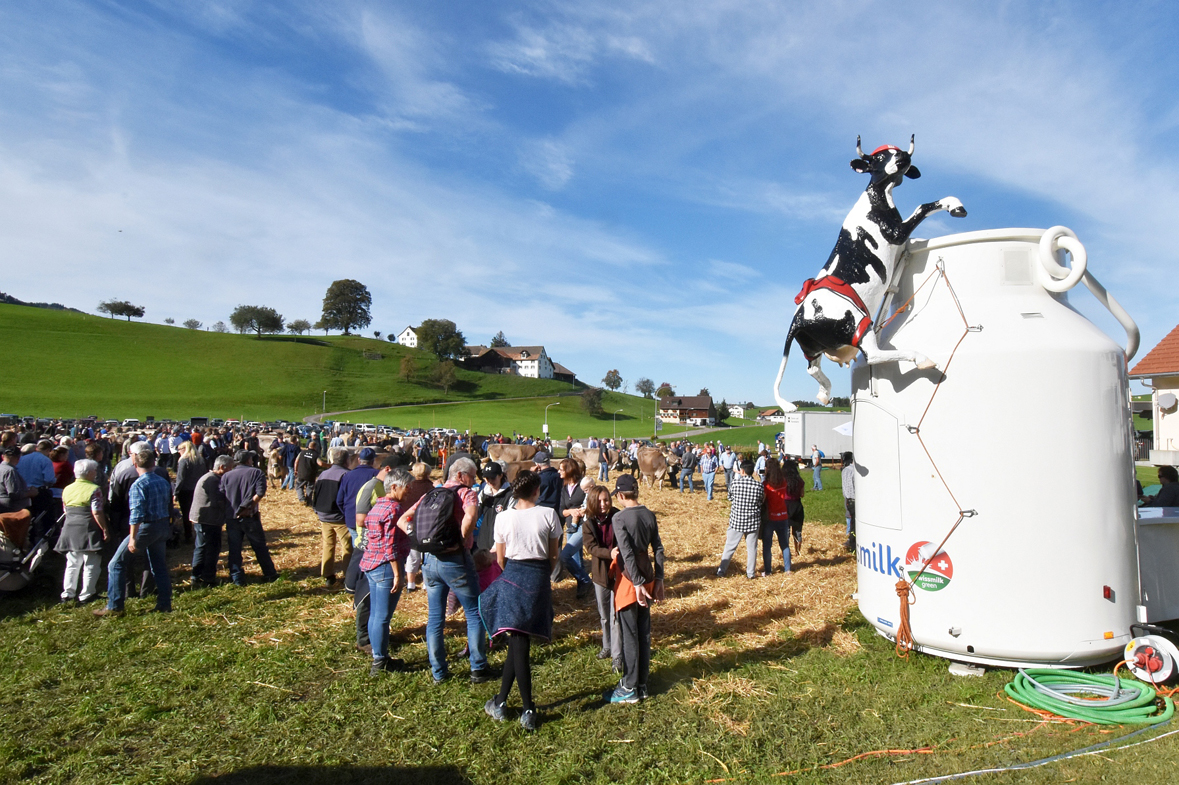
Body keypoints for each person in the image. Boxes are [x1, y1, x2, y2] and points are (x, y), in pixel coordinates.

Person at [479, 469, 561, 731]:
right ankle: (503, 702)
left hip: (513, 574)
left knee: (518, 642)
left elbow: (500, 559)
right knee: (519, 641)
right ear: (536, 490)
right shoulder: (549, 515)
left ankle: (525, 707)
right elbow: (554, 555)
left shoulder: (503, 518)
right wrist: (541, 574)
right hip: (538, 576)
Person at [400, 457, 492, 684]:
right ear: (460, 475)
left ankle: (439, 671)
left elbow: (403, 519)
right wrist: (460, 540)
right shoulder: (466, 493)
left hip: (429, 561)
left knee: (435, 617)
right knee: (473, 612)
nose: (473, 480)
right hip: (456, 560)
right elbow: (470, 516)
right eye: (471, 475)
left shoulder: (430, 493)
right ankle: (478, 668)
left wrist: (418, 539)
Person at [607, 474, 665, 704]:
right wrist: (658, 578)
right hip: (648, 576)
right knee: (644, 632)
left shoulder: (619, 518)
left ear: (620, 495)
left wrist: (637, 583)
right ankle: (642, 683)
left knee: (629, 633)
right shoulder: (649, 514)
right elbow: (658, 548)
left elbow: (627, 552)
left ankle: (629, 687)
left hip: (630, 581)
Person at [94, 448, 172, 616]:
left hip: (146, 527)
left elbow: (136, 515)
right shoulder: (163, 481)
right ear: (153, 463)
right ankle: (165, 602)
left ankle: (115, 605)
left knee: (116, 563)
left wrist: (133, 538)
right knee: (158, 566)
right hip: (162, 524)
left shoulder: (139, 484)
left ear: (135, 464)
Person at [362, 467, 414, 675]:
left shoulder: (377, 507)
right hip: (386, 567)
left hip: (371, 565)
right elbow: (390, 546)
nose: (409, 491)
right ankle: (380, 662)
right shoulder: (394, 510)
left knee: (376, 614)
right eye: (407, 488)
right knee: (383, 616)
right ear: (394, 487)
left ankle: (379, 655)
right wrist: (398, 574)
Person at [220, 451, 277, 586]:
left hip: (232, 516)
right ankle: (269, 574)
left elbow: (221, 495)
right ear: (248, 460)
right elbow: (260, 493)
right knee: (259, 546)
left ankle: (236, 577)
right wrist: (249, 506)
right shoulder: (256, 473)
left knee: (234, 548)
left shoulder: (226, 476)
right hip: (250, 516)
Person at [55, 459, 108, 604]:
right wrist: (105, 529)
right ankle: (87, 593)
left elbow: (65, 509)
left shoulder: (67, 489)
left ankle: (68, 593)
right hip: (88, 527)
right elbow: (97, 512)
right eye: (95, 471)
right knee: (91, 562)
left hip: (70, 526)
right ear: (90, 473)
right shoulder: (94, 489)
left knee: (72, 562)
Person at [582, 483, 622, 671]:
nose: (604, 504)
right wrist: (609, 553)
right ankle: (606, 646)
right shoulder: (588, 522)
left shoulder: (618, 516)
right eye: (599, 501)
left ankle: (617, 655)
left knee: (616, 616)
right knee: (605, 616)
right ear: (593, 502)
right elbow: (590, 548)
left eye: (606, 500)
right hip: (600, 574)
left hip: (619, 573)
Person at [190, 455, 233, 587]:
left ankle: (197, 576)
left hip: (203, 518)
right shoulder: (213, 480)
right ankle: (207, 577)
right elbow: (217, 501)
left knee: (202, 547)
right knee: (211, 548)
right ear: (221, 468)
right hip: (208, 520)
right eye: (230, 468)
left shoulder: (209, 477)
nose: (231, 471)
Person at [717, 460, 764, 579]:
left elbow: (730, 498)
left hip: (736, 520)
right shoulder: (758, 486)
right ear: (753, 472)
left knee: (729, 547)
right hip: (752, 522)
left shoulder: (735, 483)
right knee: (752, 549)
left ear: (742, 471)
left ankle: (721, 571)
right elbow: (760, 502)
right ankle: (750, 573)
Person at [312, 447, 352, 585]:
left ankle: (328, 575)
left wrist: (316, 510)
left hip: (323, 515)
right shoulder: (346, 475)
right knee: (347, 546)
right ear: (347, 460)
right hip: (339, 516)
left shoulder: (323, 474)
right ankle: (348, 575)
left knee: (328, 544)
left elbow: (316, 493)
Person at [557, 458, 592, 600]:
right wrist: (571, 512)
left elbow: (591, 502)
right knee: (575, 559)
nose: (559, 471)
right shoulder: (564, 488)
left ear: (569, 470)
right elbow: (561, 511)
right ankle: (582, 589)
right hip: (571, 526)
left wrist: (581, 511)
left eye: (561, 469)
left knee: (565, 556)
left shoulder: (583, 485)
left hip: (583, 525)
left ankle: (586, 581)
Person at [760, 457, 801, 575]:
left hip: (770, 517)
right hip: (783, 516)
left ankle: (768, 571)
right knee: (784, 545)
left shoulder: (766, 484)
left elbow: (763, 500)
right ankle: (787, 569)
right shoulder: (783, 481)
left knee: (767, 546)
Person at [175, 440, 206, 543]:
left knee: (186, 513)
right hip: (198, 489)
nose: (178, 451)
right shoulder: (200, 460)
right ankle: (199, 534)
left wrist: (175, 492)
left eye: (179, 449)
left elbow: (180, 478)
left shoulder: (184, 461)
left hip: (185, 491)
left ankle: (188, 535)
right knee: (198, 512)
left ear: (184, 449)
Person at [0, 446, 36, 512]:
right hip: (12, 509)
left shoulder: (2, 468)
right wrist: (31, 493)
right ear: (18, 458)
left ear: (2, 457)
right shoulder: (10, 471)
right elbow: (14, 494)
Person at [841, 451, 856, 551]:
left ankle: (850, 539)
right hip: (855, 499)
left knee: (851, 521)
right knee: (855, 523)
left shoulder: (844, 470)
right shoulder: (854, 471)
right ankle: (853, 542)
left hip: (847, 498)